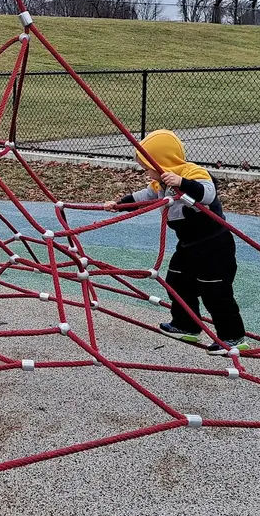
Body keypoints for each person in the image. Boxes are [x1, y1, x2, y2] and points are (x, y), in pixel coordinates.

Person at [104, 129, 247, 355]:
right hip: (188, 245)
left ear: (162, 162)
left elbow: (208, 193)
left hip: (215, 245)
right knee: (176, 281)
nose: (147, 173)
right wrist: (120, 204)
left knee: (215, 290)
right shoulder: (160, 184)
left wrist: (182, 182)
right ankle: (186, 324)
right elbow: (144, 197)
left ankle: (233, 336)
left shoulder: (193, 172)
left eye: (148, 167)